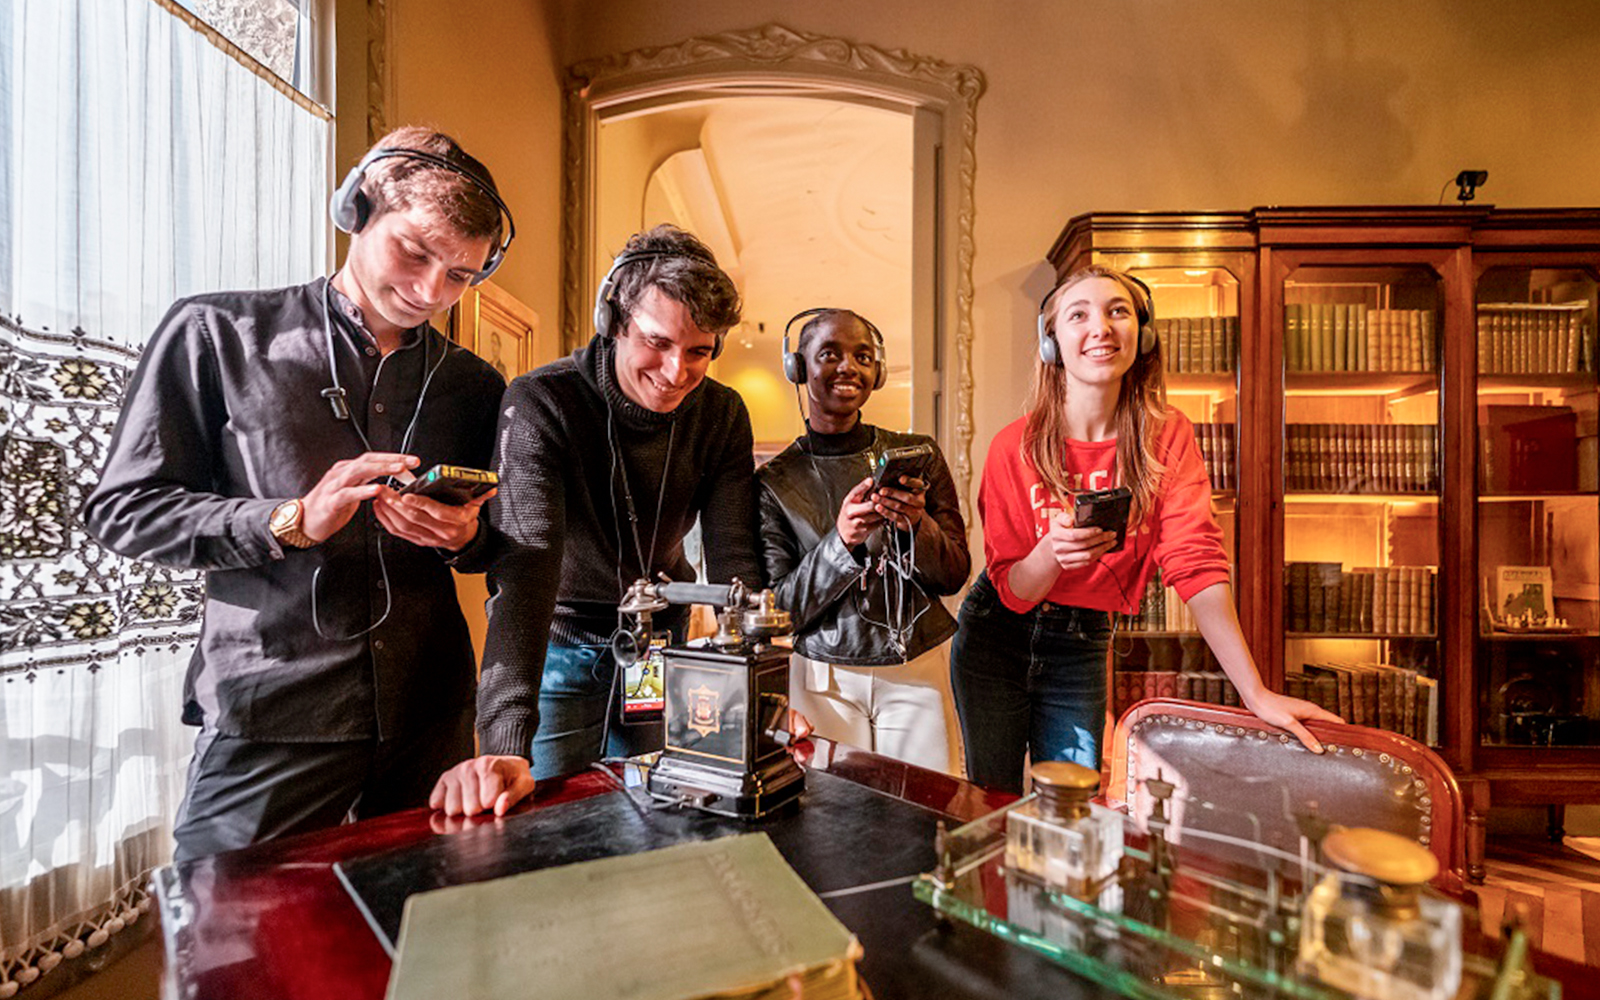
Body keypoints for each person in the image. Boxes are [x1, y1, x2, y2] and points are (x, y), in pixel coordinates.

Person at [83, 127, 514, 861]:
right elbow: (122, 509)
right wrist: (291, 519)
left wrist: (463, 538)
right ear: (357, 209)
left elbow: (496, 548)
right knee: (231, 958)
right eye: (414, 254)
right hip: (272, 713)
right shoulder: (215, 334)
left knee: (420, 951)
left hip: (430, 718)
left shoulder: (475, 386)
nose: (429, 293)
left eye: (460, 277)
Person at [431, 224, 784, 817]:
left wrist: (760, 694)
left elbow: (735, 563)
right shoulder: (542, 402)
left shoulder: (721, 413)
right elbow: (524, 576)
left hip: (661, 649)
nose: (676, 371)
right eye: (657, 341)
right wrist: (505, 743)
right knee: (545, 829)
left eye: (699, 350)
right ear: (614, 320)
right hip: (558, 648)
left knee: (651, 821)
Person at [950, 264, 1339, 794]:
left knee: (1073, 801)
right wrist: (1051, 553)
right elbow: (1014, 593)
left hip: (1083, 640)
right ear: (1052, 343)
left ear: (1143, 334)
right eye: (1078, 314)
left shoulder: (1167, 437)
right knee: (990, 797)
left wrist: (1254, 691)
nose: (1101, 328)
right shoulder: (1011, 446)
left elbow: (1196, 563)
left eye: (1118, 312)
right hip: (997, 635)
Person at [757, 309, 970, 772]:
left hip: (917, 665)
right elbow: (779, 609)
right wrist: (843, 541)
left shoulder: (921, 456)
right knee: (832, 818)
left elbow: (953, 574)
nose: (848, 366)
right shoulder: (774, 481)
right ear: (799, 368)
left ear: (878, 372)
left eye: (863, 356)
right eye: (829, 354)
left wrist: (917, 526)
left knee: (925, 811)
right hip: (823, 677)